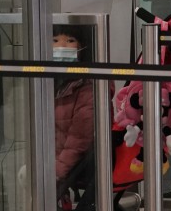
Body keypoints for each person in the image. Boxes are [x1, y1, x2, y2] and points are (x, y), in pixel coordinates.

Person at [53, 25, 95, 209]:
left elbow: (80, 137)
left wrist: (58, 170)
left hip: (74, 165)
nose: (60, 45)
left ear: (82, 48)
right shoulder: (49, 80)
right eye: (55, 40)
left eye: (70, 40)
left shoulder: (88, 85)